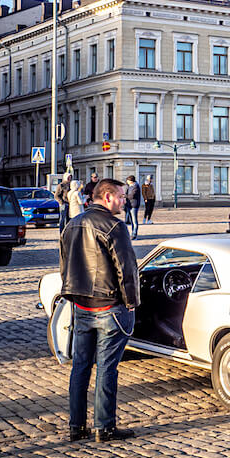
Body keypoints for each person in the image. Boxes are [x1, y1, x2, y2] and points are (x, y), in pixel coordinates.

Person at [60, 177, 139, 443]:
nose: (124, 200)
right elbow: (126, 270)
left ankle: (76, 426)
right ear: (107, 197)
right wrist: (131, 304)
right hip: (109, 307)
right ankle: (104, 427)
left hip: (82, 306)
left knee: (80, 367)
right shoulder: (114, 226)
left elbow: (65, 267)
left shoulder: (72, 224)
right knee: (106, 368)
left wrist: (73, 296)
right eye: (120, 196)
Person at [124, 175, 140, 240]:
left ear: (130, 181)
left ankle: (134, 234)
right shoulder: (129, 186)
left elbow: (132, 196)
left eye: (127, 181)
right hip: (129, 205)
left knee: (134, 221)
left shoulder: (136, 186)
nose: (126, 182)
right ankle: (132, 233)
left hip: (134, 205)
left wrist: (125, 196)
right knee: (131, 221)